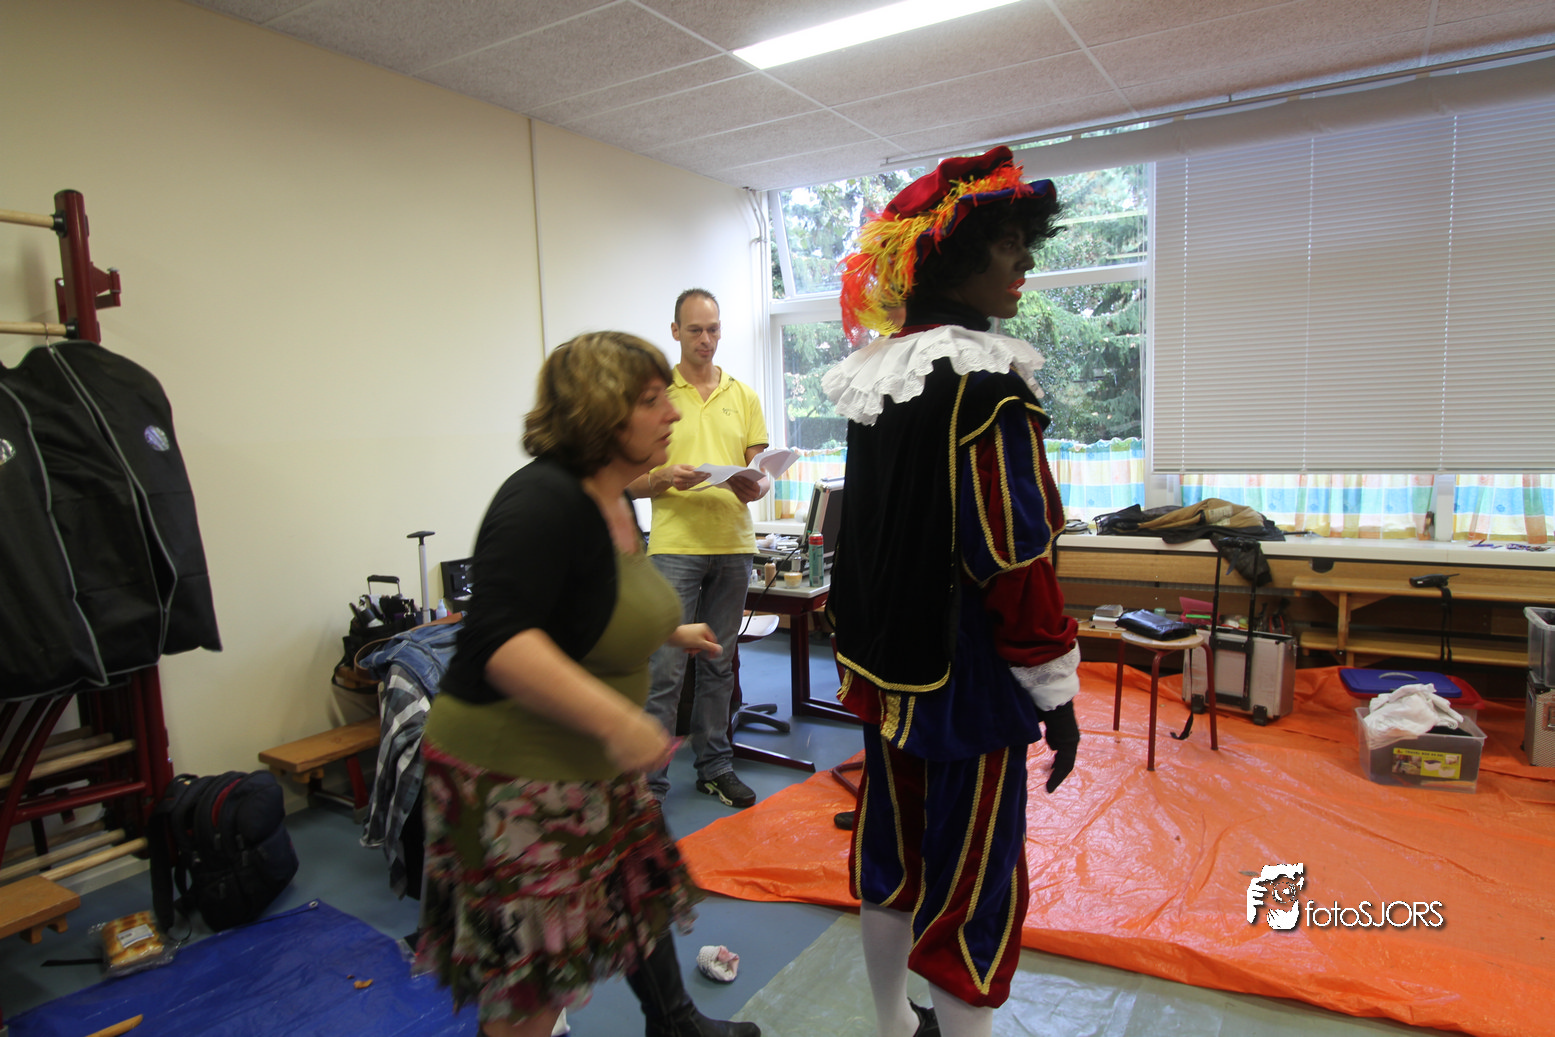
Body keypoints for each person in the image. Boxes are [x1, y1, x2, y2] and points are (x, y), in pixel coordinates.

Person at [417, 331, 760, 1037]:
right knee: (535, 982)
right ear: (601, 414)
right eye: (651, 399)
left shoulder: (613, 497)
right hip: (514, 771)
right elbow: (501, 641)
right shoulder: (540, 501)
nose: (672, 412)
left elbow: (592, 602)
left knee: (637, 889)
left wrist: (670, 631)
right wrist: (618, 721)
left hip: (587, 759)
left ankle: (673, 1021)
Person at [820, 147, 1082, 1037]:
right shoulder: (986, 388)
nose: (1024, 261)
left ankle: (894, 1026)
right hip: (967, 678)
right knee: (974, 885)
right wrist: (1053, 687)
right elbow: (1011, 554)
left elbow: (862, 535)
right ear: (957, 258)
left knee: (891, 855)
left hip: (885, 666)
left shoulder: (882, 382)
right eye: (1007, 244)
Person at [629, 289, 770, 809]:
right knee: (665, 668)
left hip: (733, 544)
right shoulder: (655, 397)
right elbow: (626, 482)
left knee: (719, 663)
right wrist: (663, 477)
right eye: (694, 330)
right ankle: (649, 784)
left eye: (712, 329)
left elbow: (761, 472)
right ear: (675, 332)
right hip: (674, 549)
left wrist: (757, 485)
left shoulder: (743, 395)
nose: (705, 339)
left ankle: (715, 766)